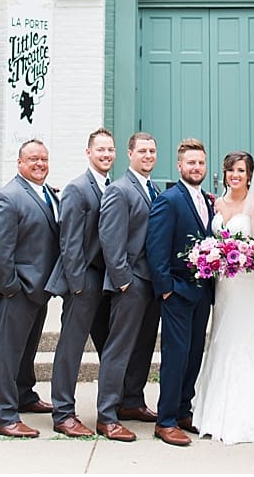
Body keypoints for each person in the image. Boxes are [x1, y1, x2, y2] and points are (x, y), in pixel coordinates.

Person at [190, 151, 254, 445]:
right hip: (224, 283)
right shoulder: (218, 203)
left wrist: (237, 260)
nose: (234, 175)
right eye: (230, 170)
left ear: (250, 175)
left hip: (249, 281)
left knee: (247, 334)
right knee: (223, 336)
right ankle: (215, 412)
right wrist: (214, 258)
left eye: (240, 170)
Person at [0, 139, 60, 438]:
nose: (39, 163)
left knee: (27, 350)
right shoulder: (8, 196)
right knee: (8, 352)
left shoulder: (48, 194)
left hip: (38, 290)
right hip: (16, 292)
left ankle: (24, 395)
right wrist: (11, 287)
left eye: (43, 158)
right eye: (32, 159)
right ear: (19, 163)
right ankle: (4, 415)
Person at [45, 128, 116, 438]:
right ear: (89, 152)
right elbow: (69, 240)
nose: (105, 154)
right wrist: (76, 284)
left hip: (106, 281)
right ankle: (62, 413)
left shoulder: (112, 186)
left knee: (108, 347)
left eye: (110, 150)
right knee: (71, 347)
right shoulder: (77, 188)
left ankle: (116, 404)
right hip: (84, 279)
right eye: (100, 149)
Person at [145, 138, 216, 447]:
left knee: (193, 355)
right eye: (190, 163)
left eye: (200, 163)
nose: (196, 167)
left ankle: (185, 410)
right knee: (175, 356)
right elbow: (155, 249)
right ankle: (166, 420)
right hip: (177, 291)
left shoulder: (208, 201)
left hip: (202, 293)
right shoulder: (169, 199)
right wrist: (166, 291)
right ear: (179, 166)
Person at [94, 132, 161, 441]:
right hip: (130, 282)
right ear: (130, 154)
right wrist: (122, 281)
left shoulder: (154, 188)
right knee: (118, 349)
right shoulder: (120, 190)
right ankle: (107, 415)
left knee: (143, 348)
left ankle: (132, 401)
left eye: (152, 151)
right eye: (142, 151)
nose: (148, 156)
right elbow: (110, 239)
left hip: (151, 283)